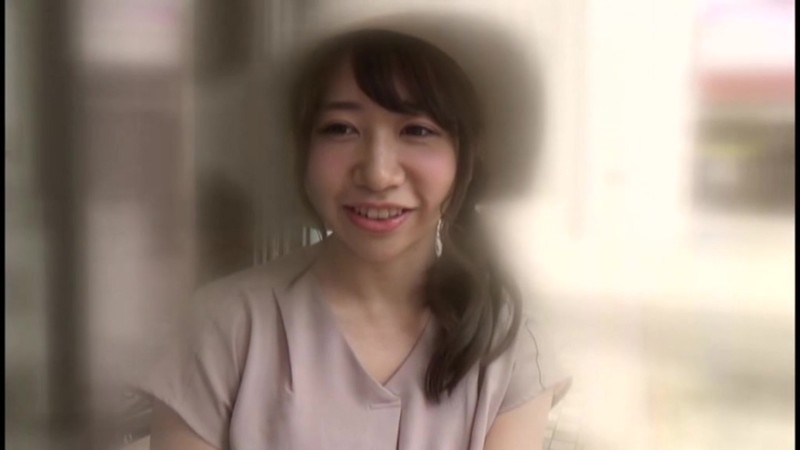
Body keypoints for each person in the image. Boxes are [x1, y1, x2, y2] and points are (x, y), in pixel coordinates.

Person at [146, 12, 571, 450]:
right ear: (303, 150)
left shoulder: (509, 345)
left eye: (417, 130)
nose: (378, 174)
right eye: (341, 129)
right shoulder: (222, 328)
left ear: (465, 157)